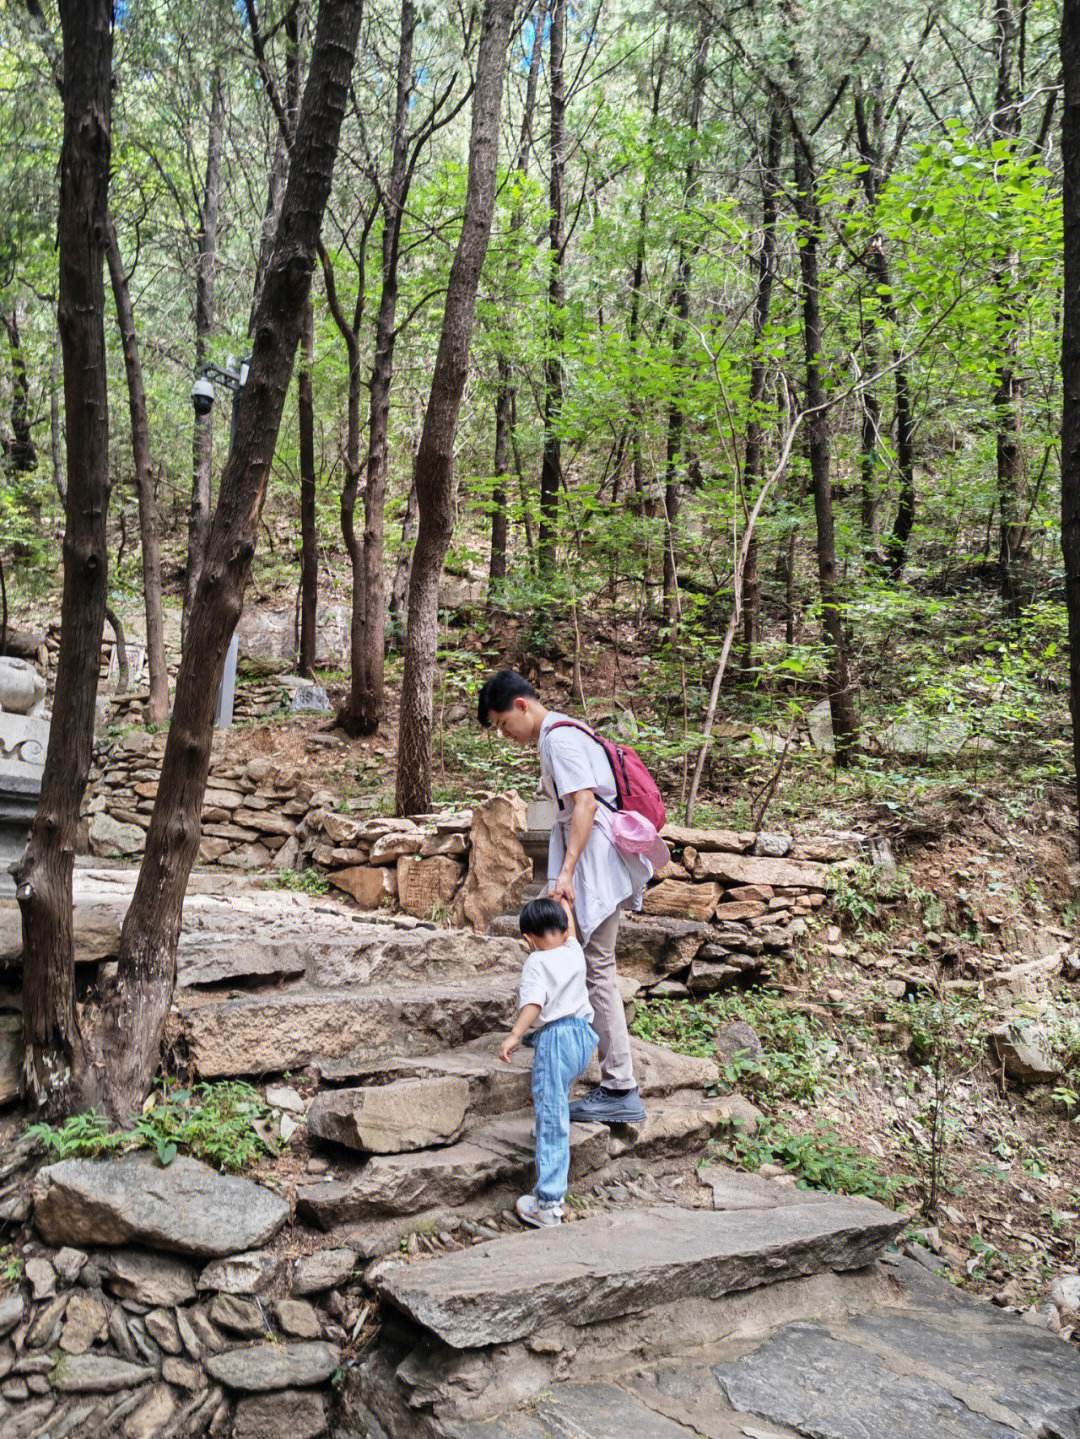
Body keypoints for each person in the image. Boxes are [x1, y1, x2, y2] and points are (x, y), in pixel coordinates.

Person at [478, 668, 661, 1124]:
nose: (505, 736)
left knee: (597, 968)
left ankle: (620, 1086)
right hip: (592, 860)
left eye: (503, 725)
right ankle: (575, 1043)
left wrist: (566, 872)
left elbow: (585, 804)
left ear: (521, 706)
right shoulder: (560, 735)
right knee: (586, 960)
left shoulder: (559, 738)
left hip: (594, 862)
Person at [499, 895, 599, 1228]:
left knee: (553, 1116)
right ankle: (544, 1133)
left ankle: (548, 1203)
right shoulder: (574, 951)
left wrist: (515, 1035)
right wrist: (566, 905)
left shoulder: (536, 963)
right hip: (583, 1038)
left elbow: (533, 1004)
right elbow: (569, 929)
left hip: (556, 1040)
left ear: (528, 937)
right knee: (555, 1103)